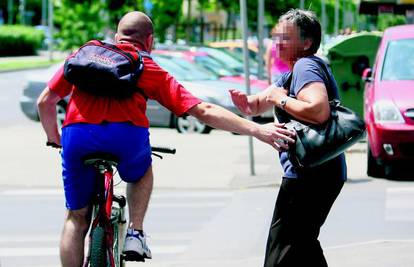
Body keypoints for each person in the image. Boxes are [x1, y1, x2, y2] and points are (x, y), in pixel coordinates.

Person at [37, 11, 295, 267]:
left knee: (75, 217)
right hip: (126, 136)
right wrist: (258, 130)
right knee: (141, 172)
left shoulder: (85, 54)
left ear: (116, 37)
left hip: (78, 135)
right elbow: (203, 111)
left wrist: (55, 138)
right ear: (149, 41)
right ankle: (135, 234)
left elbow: (45, 102)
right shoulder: (147, 67)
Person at [229, 9, 346, 267]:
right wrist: (247, 104)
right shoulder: (294, 71)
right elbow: (260, 101)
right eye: (276, 37)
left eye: (285, 38)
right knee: (302, 245)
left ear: (306, 43)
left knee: (281, 253)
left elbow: (318, 109)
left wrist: (279, 99)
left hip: (309, 176)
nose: (276, 43)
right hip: (320, 172)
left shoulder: (306, 65)